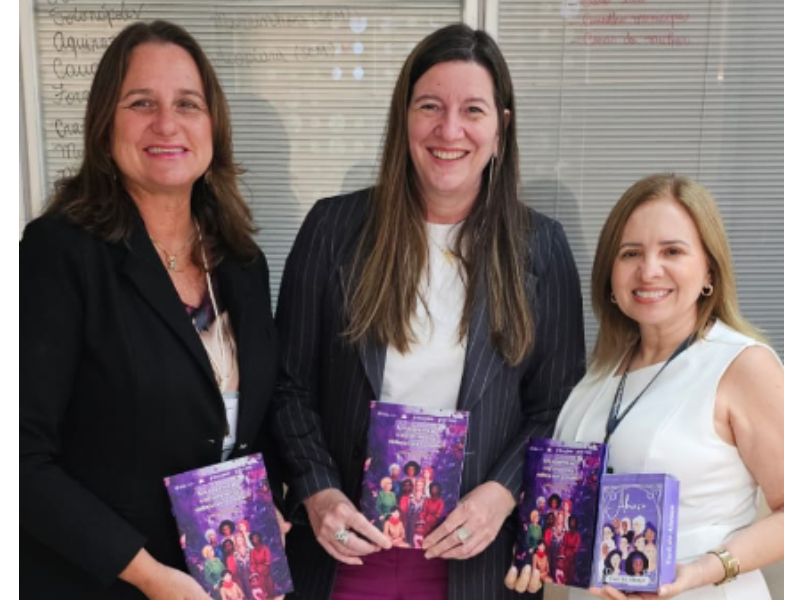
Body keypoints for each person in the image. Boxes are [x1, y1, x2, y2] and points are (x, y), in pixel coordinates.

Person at [270, 22, 585, 600]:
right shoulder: (331, 229)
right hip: (345, 551)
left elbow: (556, 405)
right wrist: (317, 490)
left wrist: (502, 494)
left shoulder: (541, 247)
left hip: (477, 560)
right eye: (430, 107)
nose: (450, 129)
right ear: (404, 118)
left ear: (501, 127)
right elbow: (289, 386)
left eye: (473, 110)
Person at [19, 19, 288, 600]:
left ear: (212, 127)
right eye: (142, 102)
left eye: (187, 104)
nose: (167, 123)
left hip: (223, 575)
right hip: (101, 582)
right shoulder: (58, 254)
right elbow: (25, 456)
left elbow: (249, 424)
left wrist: (264, 503)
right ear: (105, 125)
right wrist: (149, 576)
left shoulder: (242, 264)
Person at [506, 173, 784, 599]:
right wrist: (538, 550)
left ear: (709, 269)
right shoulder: (600, 376)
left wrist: (701, 570)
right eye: (631, 253)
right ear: (610, 275)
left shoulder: (742, 365)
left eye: (673, 251)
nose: (649, 270)